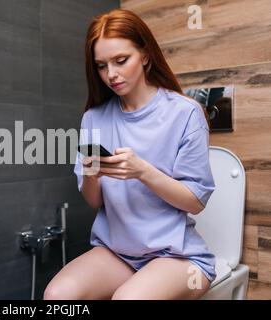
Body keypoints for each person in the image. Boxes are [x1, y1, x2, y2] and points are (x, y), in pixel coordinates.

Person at [43, 8, 217, 300]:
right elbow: (94, 200)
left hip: (178, 258)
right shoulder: (93, 119)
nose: (111, 74)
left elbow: (196, 201)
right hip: (117, 252)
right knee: (57, 295)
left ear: (145, 55)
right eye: (101, 66)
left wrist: (142, 171)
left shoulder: (185, 113)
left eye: (121, 60)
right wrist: (90, 173)